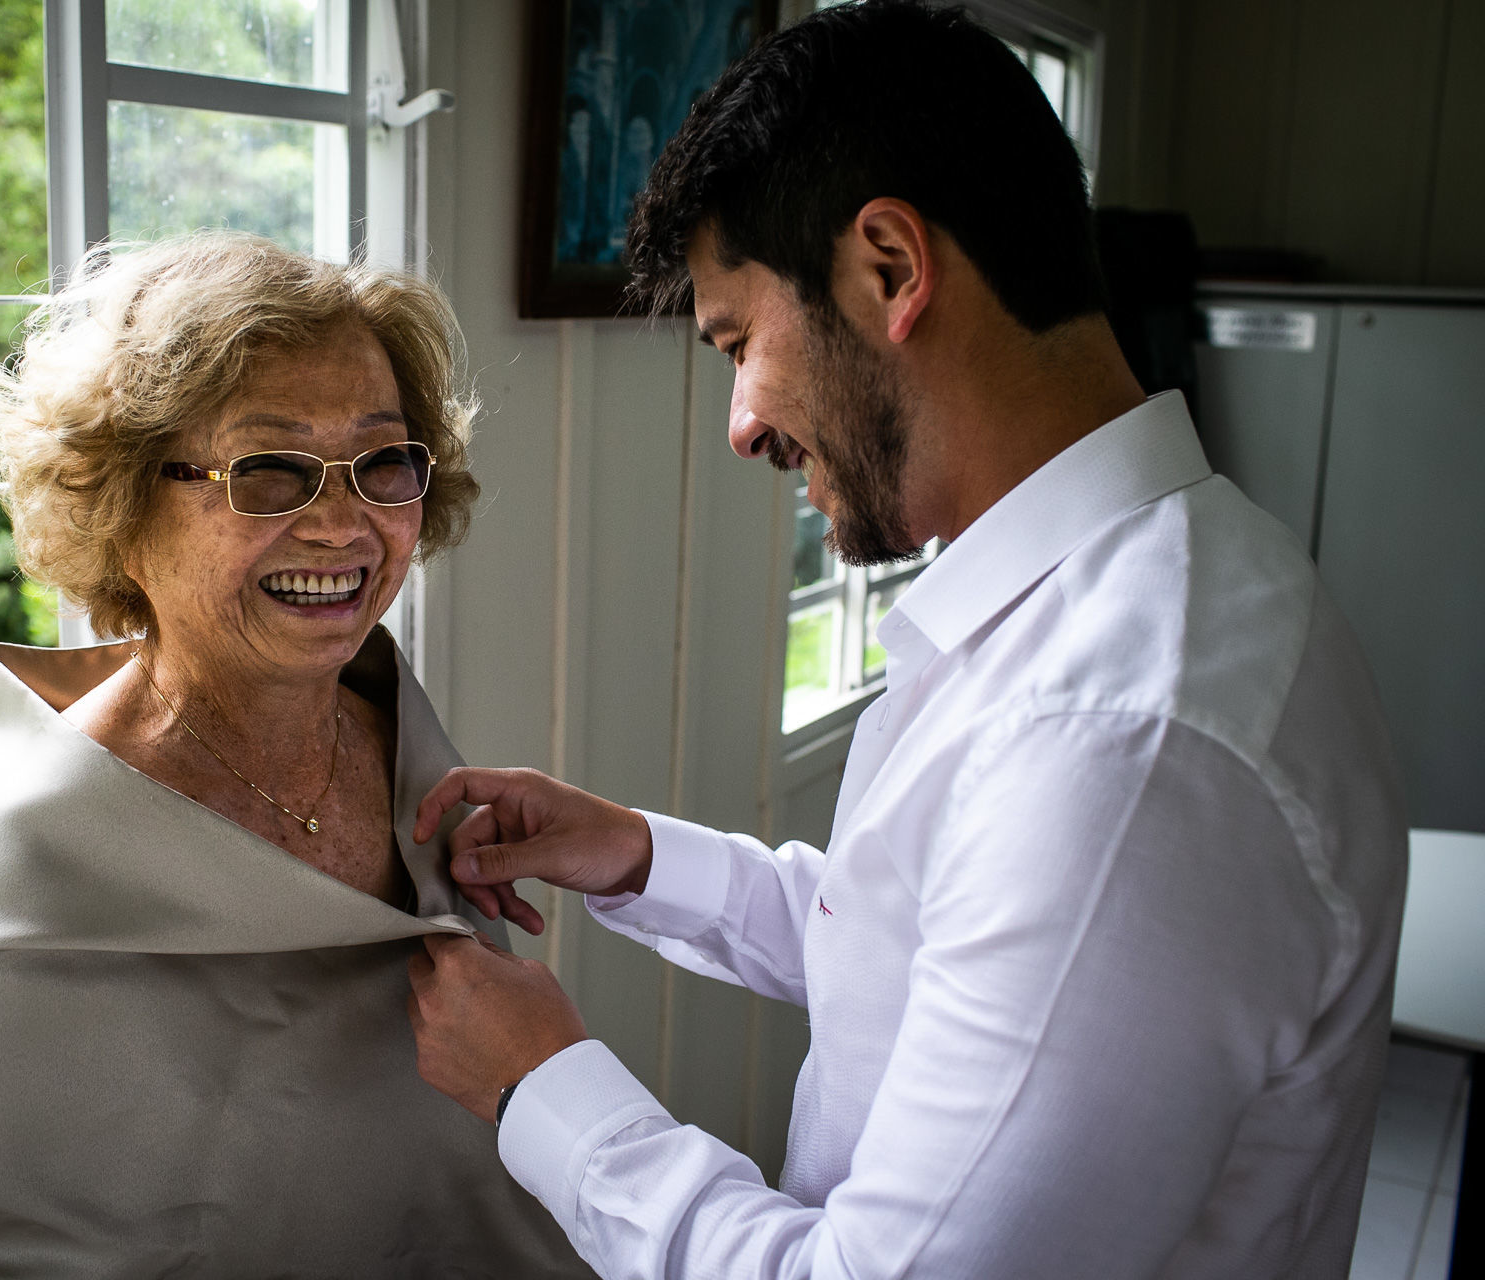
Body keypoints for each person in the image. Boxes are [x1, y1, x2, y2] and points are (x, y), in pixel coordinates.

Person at [405, 4, 1407, 1278]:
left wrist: (542, 1089)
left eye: (739, 343)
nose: (742, 424)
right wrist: (633, 856)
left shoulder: (1124, 743)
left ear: (889, 266)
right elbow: (928, 950)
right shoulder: (1128, 596)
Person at [0, 231, 593, 1278]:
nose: (344, 523)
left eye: (381, 462)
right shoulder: (43, 843)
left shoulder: (403, 741)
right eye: (269, 472)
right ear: (119, 502)